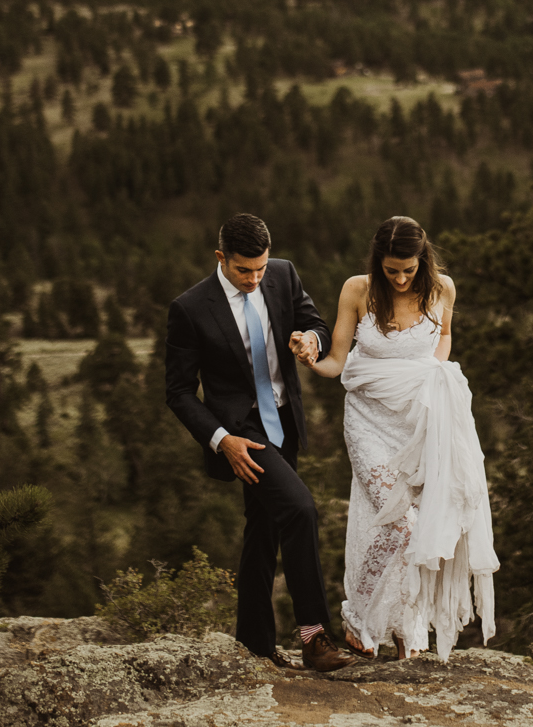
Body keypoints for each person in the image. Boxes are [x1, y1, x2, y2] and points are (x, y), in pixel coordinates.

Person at [299, 215, 497, 661]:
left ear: (422, 260)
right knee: (402, 523)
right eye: (392, 271)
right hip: (368, 420)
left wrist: (432, 379)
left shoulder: (442, 288)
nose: (402, 278)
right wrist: (311, 359)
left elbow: (442, 340)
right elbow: (336, 360)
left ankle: (402, 629)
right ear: (378, 263)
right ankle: (360, 618)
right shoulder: (357, 290)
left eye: (409, 269)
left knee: (412, 521)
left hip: (420, 421)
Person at [164, 213, 355, 671]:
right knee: (300, 509)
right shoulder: (190, 308)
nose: (254, 279)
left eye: (260, 269)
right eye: (243, 270)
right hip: (240, 432)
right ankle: (313, 638)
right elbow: (178, 392)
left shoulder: (283, 274)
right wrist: (220, 439)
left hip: (284, 422)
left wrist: (311, 340)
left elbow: (316, 322)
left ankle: (253, 642)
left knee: (263, 527)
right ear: (220, 258)